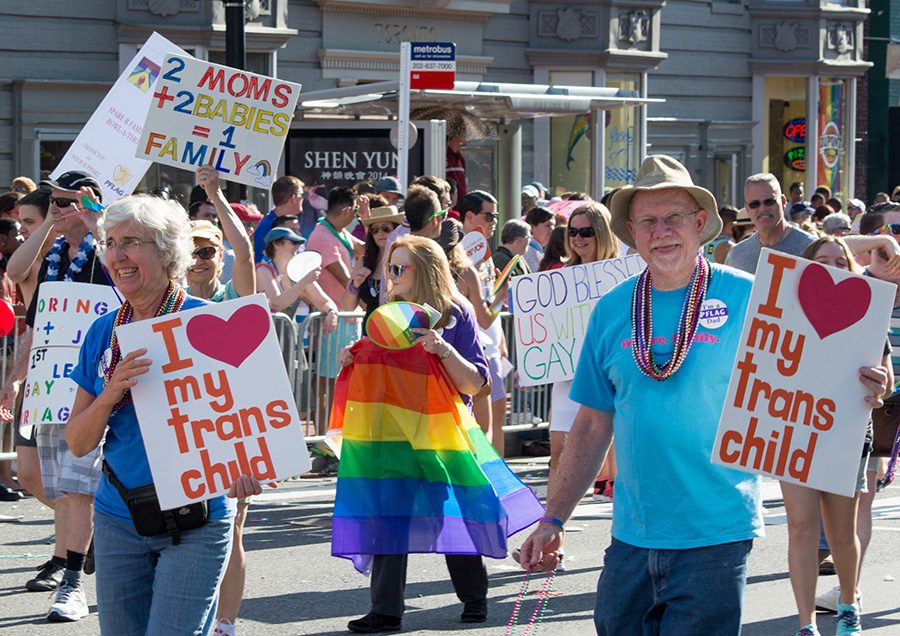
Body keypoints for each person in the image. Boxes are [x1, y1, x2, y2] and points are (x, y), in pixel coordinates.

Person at [517, 154, 890, 634]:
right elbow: (591, 424)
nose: (662, 230)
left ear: (699, 224)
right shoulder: (611, 309)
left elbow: (819, 377)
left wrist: (863, 388)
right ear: (632, 230)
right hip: (632, 536)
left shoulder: (754, 297)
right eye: (648, 221)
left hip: (717, 536)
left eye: (674, 217)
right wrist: (554, 519)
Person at [63, 194, 263, 635]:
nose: (118, 256)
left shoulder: (209, 322)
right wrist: (110, 392)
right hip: (118, 517)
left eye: (131, 242)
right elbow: (77, 442)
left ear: (167, 251)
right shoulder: (103, 332)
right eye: (111, 243)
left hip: (197, 518)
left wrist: (248, 467)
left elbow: (255, 433)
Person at [339, 235, 494, 633]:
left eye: (397, 268)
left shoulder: (456, 312)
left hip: (444, 435)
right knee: (388, 515)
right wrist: (354, 357)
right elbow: (378, 362)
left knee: (451, 511)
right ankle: (386, 610)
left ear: (425, 269)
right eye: (389, 267)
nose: (389, 276)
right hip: (394, 436)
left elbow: (477, 382)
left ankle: (474, 598)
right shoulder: (388, 311)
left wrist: (443, 349)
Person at [779, 236, 892, 636]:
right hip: (793, 429)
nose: (831, 266)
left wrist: (878, 385)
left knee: (841, 533)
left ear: (851, 269)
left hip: (845, 431)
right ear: (806, 269)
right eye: (821, 260)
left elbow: (886, 383)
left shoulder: (867, 313)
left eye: (840, 261)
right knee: (801, 528)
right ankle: (806, 623)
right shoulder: (782, 312)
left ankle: (848, 603)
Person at [17, 171, 111, 617]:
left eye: (63, 202)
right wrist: (17, 375)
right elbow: (16, 273)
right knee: (54, 483)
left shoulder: (105, 251)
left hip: (94, 387)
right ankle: (83, 546)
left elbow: (124, 269)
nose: (55, 208)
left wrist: (95, 220)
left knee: (78, 485)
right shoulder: (52, 253)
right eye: (51, 201)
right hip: (51, 386)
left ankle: (72, 581)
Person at [547, 204, 619, 516]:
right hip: (567, 379)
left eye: (586, 231)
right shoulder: (558, 277)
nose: (578, 238)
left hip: (608, 378)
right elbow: (545, 330)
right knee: (559, 457)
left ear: (601, 233)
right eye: (572, 231)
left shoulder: (621, 276)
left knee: (620, 462)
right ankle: (552, 537)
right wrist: (531, 366)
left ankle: (627, 541)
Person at [458, 190, 508, 455]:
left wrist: (501, 339)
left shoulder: (484, 252)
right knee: (483, 424)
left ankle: (497, 481)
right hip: (475, 349)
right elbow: (484, 312)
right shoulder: (461, 254)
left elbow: (488, 305)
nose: (494, 222)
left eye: (496, 216)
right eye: (490, 215)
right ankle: (490, 482)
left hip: (490, 345)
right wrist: (500, 298)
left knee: (496, 417)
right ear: (469, 216)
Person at [726, 173, 817, 274]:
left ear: (783, 202)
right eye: (754, 204)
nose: (762, 208)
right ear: (747, 209)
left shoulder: (811, 247)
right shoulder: (738, 254)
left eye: (769, 201)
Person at [342, 205, 403, 326]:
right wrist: (355, 285)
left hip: (398, 333)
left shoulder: (405, 259)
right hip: (370, 333)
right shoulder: (364, 262)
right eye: (374, 230)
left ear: (396, 230)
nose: (380, 233)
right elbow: (347, 307)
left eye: (386, 228)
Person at [254, 175, 306, 262]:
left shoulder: (293, 222)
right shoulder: (267, 226)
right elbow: (260, 262)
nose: (303, 198)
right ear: (293, 198)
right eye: (301, 194)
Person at [523, 206, 555, 273]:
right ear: (531, 227)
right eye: (548, 225)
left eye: (554, 225)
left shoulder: (541, 249)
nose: (552, 229)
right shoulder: (527, 251)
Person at [445, 136, 467, 200]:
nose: (463, 142)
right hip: (449, 200)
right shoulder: (443, 156)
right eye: (459, 137)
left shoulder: (461, 159)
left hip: (462, 200)